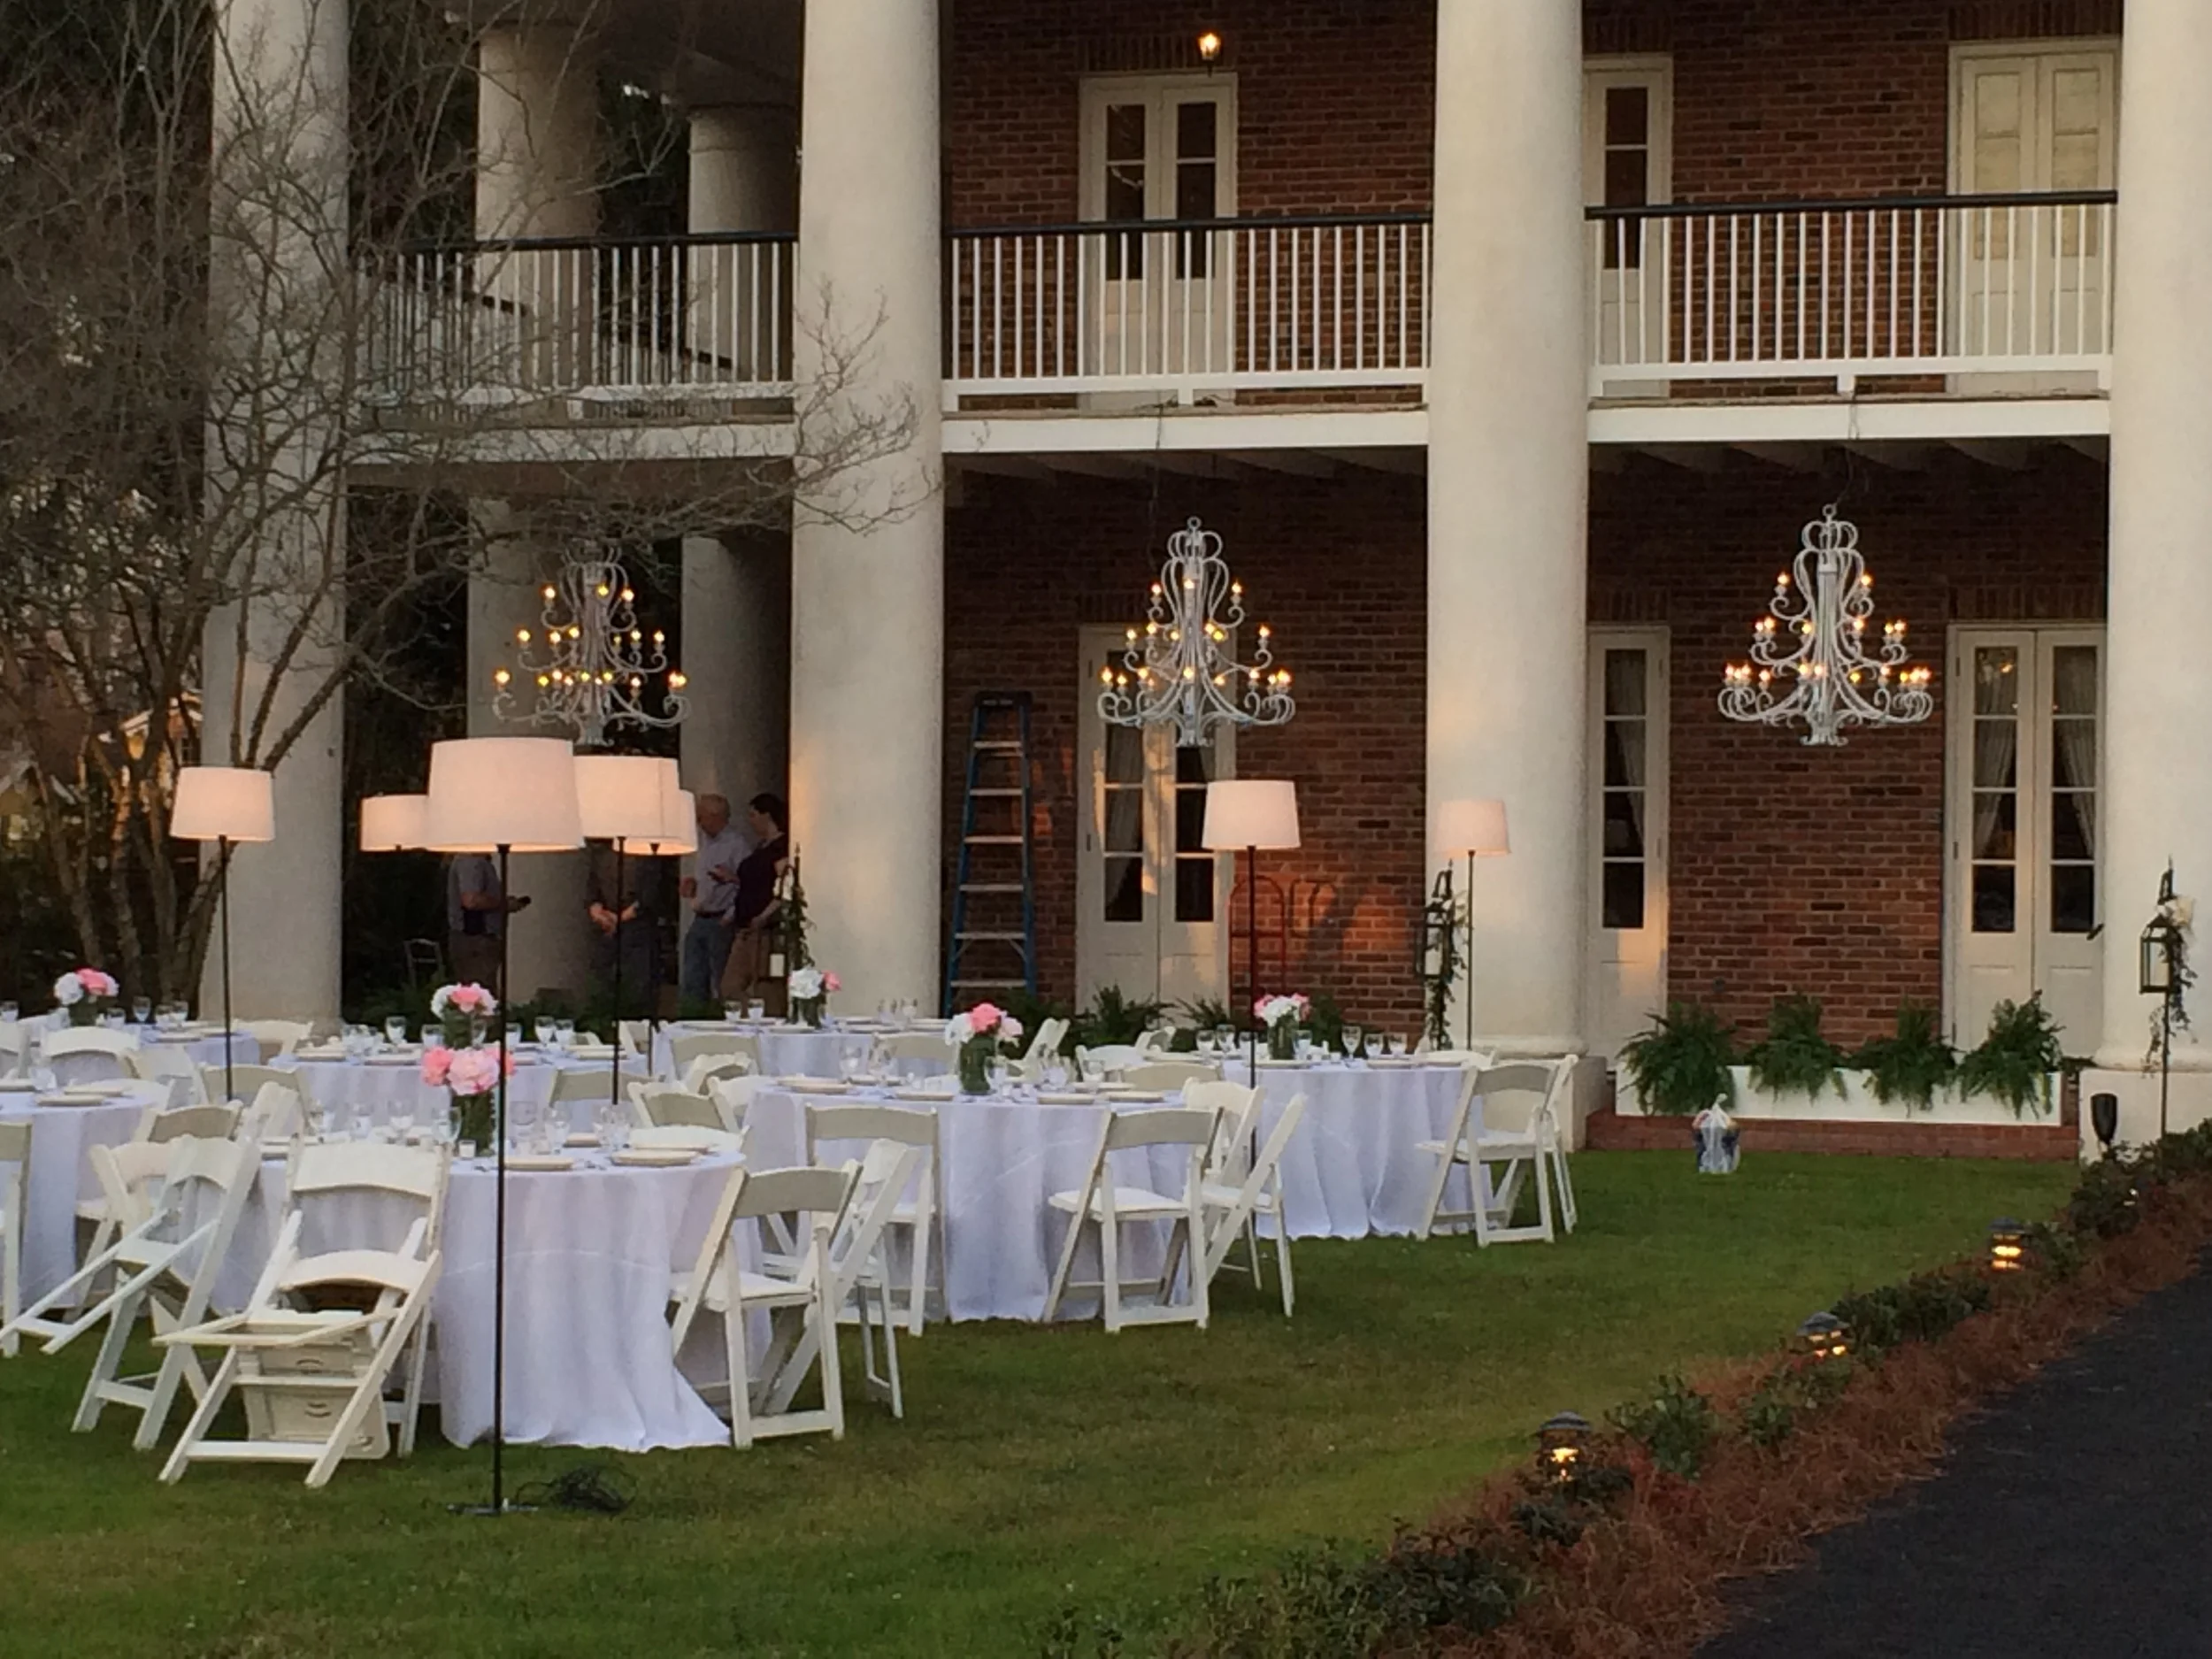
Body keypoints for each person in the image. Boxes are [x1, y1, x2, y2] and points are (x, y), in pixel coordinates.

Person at [678, 793, 750, 1005]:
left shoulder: (737, 845)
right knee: (692, 975)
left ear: (716, 816)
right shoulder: (702, 841)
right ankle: (692, 1015)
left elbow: (747, 883)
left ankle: (721, 1019)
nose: (698, 822)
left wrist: (730, 916)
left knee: (722, 978)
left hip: (722, 919)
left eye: (702, 817)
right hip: (700, 915)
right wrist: (692, 886)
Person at [719, 794, 791, 1007]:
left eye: (753, 815)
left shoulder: (780, 848)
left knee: (762, 985)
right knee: (731, 985)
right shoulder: (761, 847)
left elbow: (784, 886)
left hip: (763, 927)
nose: (750, 821)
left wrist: (764, 915)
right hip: (745, 924)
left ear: (766, 816)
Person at [586, 840, 664, 1015]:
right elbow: (592, 890)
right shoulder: (600, 855)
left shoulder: (646, 853)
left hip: (638, 931)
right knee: (604, 984)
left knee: (639, 987)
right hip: (606, 930)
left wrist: (620, 917)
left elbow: (649, 894)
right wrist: (597, 911)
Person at [446, 853, 529, 995]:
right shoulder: (471, 861)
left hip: (476, 939)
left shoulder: (475, 861)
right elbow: (471, 901)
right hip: (477, 938)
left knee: (479, 991)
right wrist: (504, 904)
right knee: (481, 994)